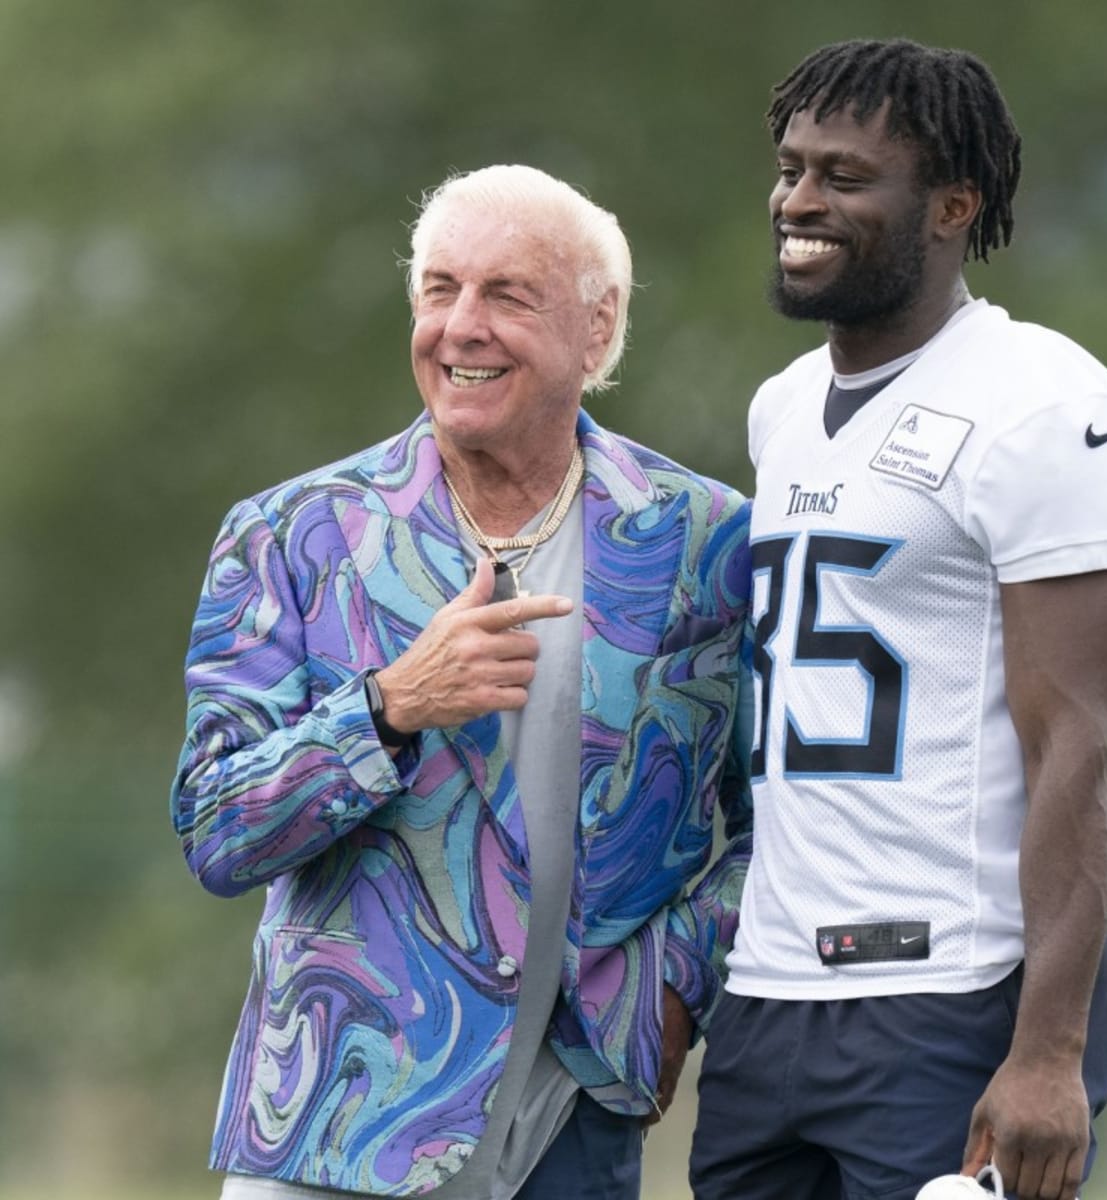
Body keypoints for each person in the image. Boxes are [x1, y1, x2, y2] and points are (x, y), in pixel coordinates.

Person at [171, 163, 754, 1200]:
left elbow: (785, 822)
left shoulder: (707, 539)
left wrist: (678, 988)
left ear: (598, 326)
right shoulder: (294, 536)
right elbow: (216, 828)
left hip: (575, 1125)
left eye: (508, 294)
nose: (461, 326)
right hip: (342, 1118)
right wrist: (387, 709)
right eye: (439, 290)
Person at [689, 38, 1107, 1200]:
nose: (799, 201)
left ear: (953, 206)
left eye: (845, 178)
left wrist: (1047, 1049)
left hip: (949, 994)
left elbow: (1082, 748)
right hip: (772, 998)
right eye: (792, 168)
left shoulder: (1046, 406)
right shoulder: (783, 406)